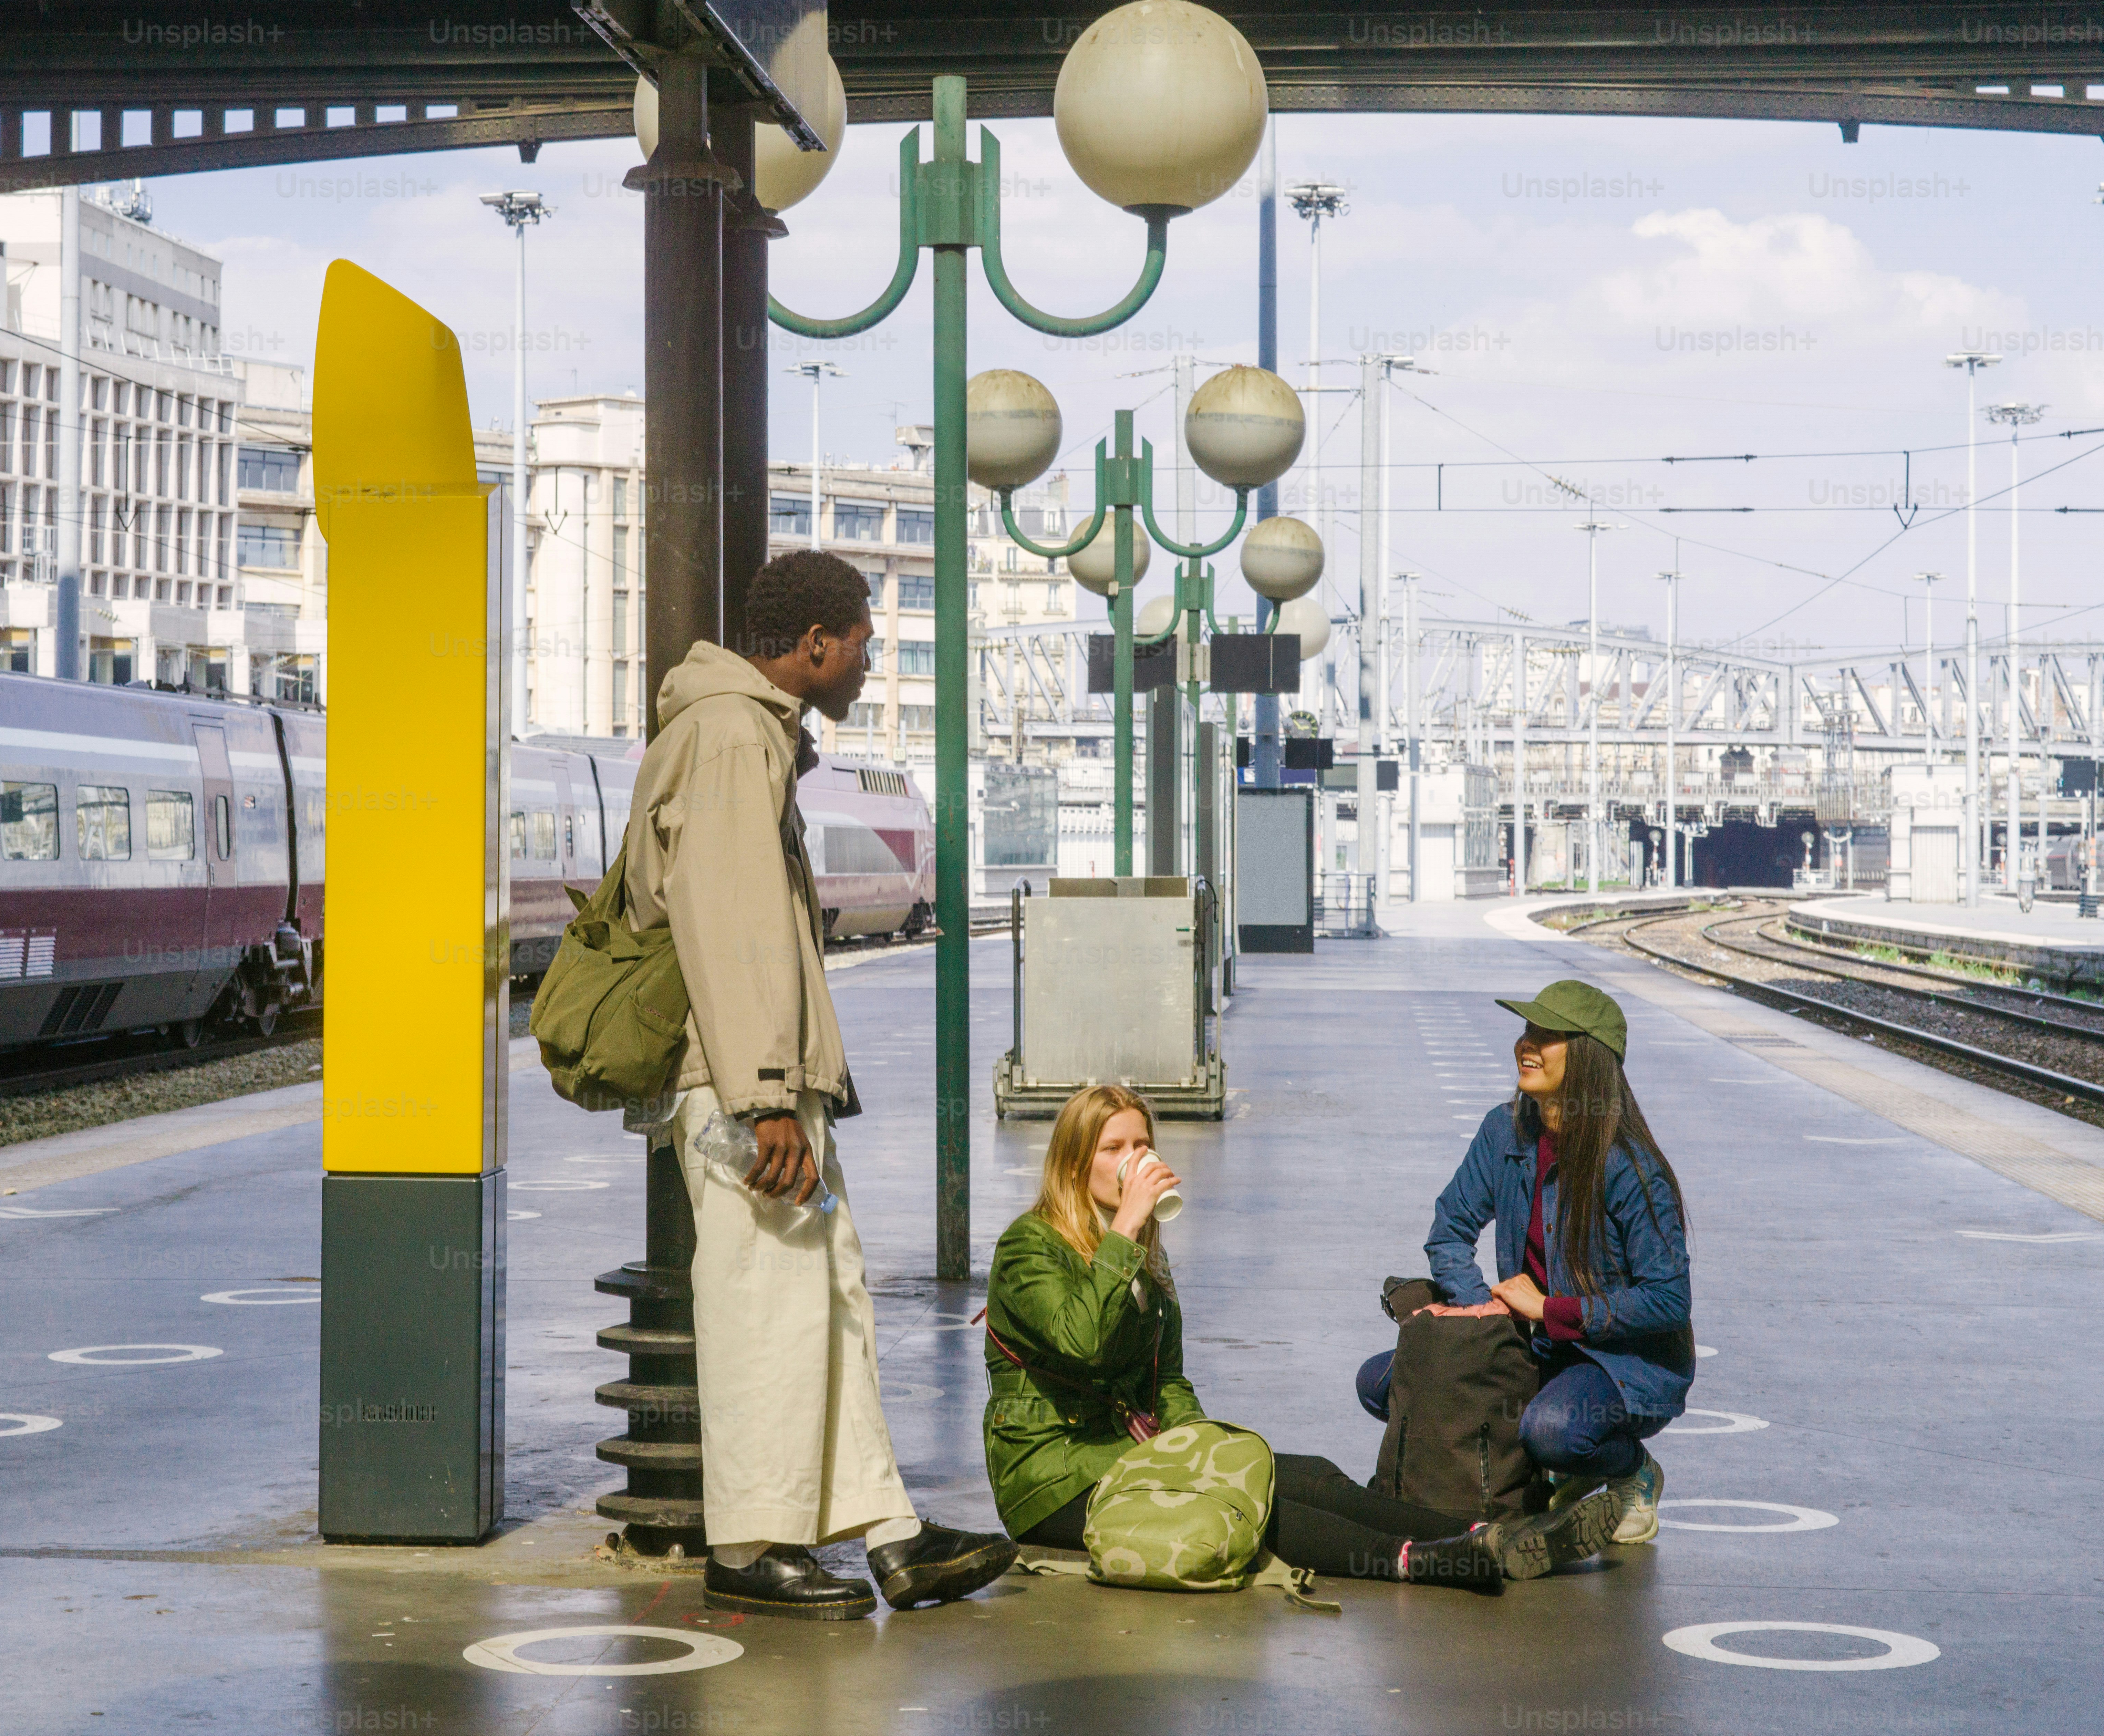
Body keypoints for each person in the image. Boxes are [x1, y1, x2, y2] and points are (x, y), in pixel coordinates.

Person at [628, 549, 1015, 1619]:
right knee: (766, 1309)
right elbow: (733, 922)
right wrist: (764, 1097)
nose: (866, 662)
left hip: (773, 1080)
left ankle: (887, 1535)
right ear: (813, 646)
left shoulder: (749, 734)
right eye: (862, 644)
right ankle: (749, 1547)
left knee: (827, 1298)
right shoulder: (727, 736)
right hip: (744, 1084)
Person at [982, 1084, 1624, 1588]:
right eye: (1114, 1149)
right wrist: (1126, 1227)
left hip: (1124, 1457)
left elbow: (1165, 1379)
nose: (1135, 1161)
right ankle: (1429, 1562)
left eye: (1142, 1145)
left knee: (1305, 1474)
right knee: (1255, 1501)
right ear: (1073, 1164)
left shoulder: (1139, 1250)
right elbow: (1082, 1341)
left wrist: (1199, 1443)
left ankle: (1488, 1536)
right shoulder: (1030, 1246)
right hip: (1054, 1481)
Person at [1403, 979, 1693, 1541]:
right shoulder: (1503, 1130)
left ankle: (1632, 1472)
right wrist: (1477, 1308)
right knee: (1387, 1382)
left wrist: (1552, 1310)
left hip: (1619, 1363)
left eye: (1549, 1035)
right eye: (1528, 1030)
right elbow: (1449, 1231)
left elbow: (1668, 1298)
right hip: (1534, 1342)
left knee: (1556, 1429)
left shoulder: (1629, 1167)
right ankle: (1538, 1470)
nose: (1527, 1044)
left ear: (1588, 1057)